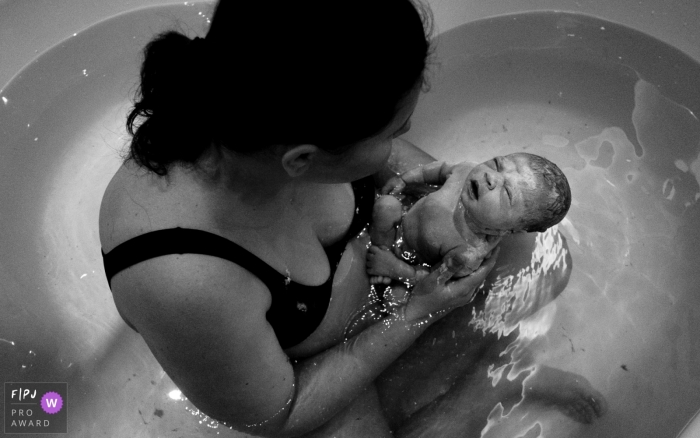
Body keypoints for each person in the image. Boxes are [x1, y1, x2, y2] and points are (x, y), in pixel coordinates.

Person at [98, 1, 499, 437]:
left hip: (372, 290)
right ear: (303, 159)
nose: (400, 141)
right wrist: (418, 313)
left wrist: (448, 200)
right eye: (393, 133)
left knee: (520, 246)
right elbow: (276, 416)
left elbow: (385, 160)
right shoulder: (186, 279)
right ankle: (476, 395)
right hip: (303, 371)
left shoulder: (268, 111)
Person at [367, 153, 571, 287]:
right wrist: (405, 179)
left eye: (507, 193)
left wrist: (397, 269)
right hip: (400, 222)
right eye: (498, 164)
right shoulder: (466, 171)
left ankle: (384, 263)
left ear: (511, 230)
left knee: (398, 298)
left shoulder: (467, 252)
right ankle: (380, 246)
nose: (492, 177)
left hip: (413, 261)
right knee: (386, 205)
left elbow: (434, 281)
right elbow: (437, 171)